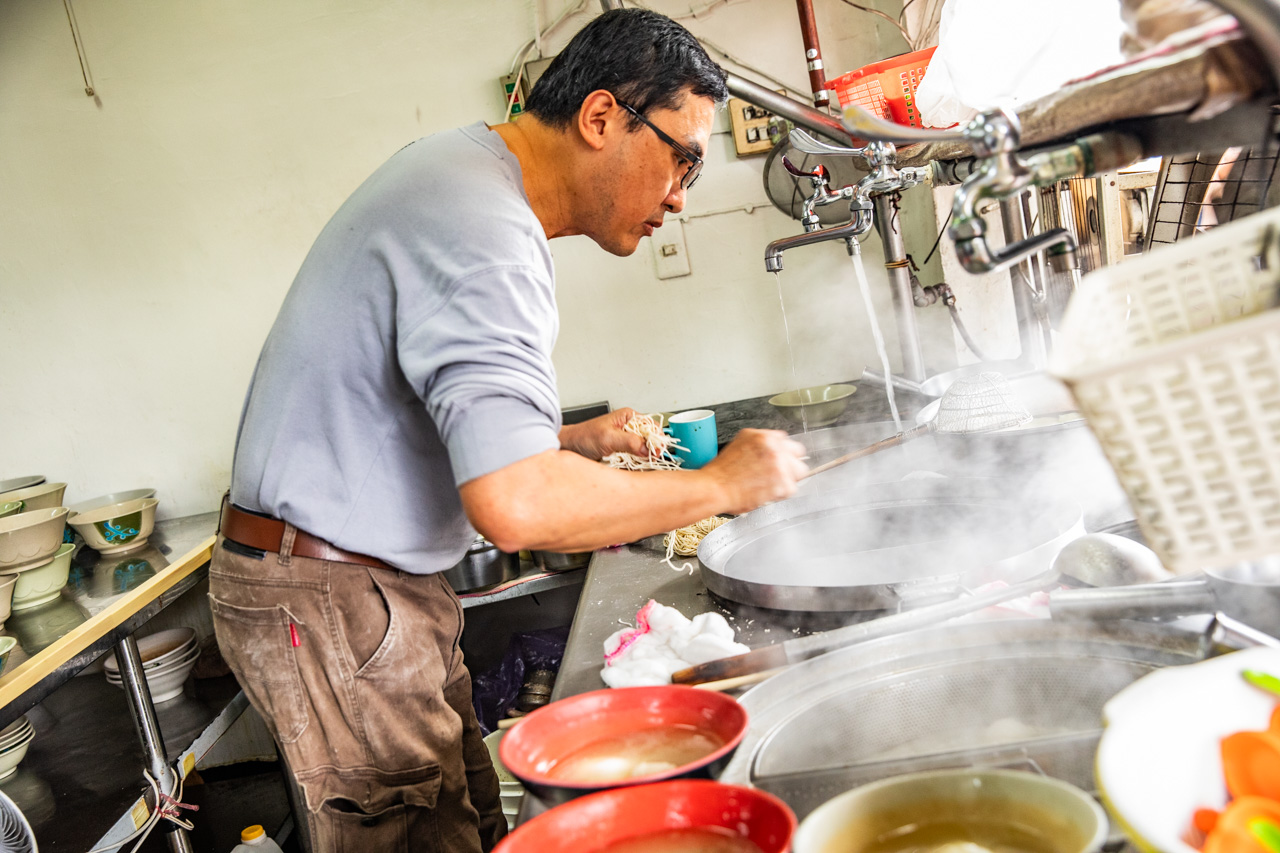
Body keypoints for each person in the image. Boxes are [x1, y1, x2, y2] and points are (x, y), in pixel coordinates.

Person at [209, 8, 808, 852]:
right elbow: (517, 505)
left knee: (465, 821)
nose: (680, 196)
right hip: (330, 593)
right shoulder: (483, 226)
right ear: (601, 117)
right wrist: (722, 484)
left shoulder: (461, 175)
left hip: (355, 583)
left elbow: (419, 413)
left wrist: (564, 440)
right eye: (683, 159)